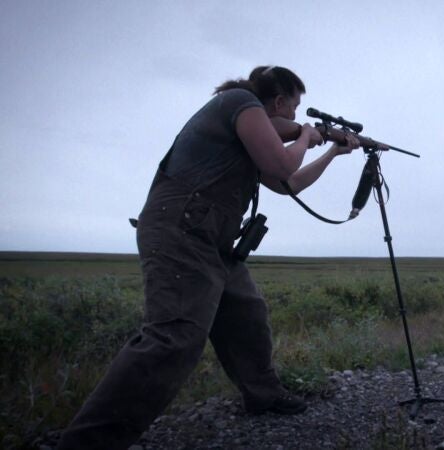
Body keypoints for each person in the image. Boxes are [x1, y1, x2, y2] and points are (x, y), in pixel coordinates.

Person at [57, 65, 359, 450]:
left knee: (246, 313)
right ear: (279, 101)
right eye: (295, 108)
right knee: (173, 337)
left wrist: (332, 149)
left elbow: (288, 183)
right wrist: (305, 136)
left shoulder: (251, 133)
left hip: (212, 239)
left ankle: (263, 395)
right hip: (181, 229)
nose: (297, 117)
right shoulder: (239, 102)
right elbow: (283, 164)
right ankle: (87, 442)